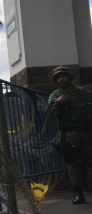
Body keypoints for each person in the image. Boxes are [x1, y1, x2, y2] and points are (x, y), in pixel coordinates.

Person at [46, 66, 92, 204]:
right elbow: (50, 115)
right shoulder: (55, 96)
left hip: (87, 132)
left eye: (64, 76)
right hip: (69, 134)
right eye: (59, 77)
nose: (62, 79)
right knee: (73, 164)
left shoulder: (84, 92)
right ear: (56, 81)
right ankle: (78, 193)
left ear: (70, 77)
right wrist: (58, 103)